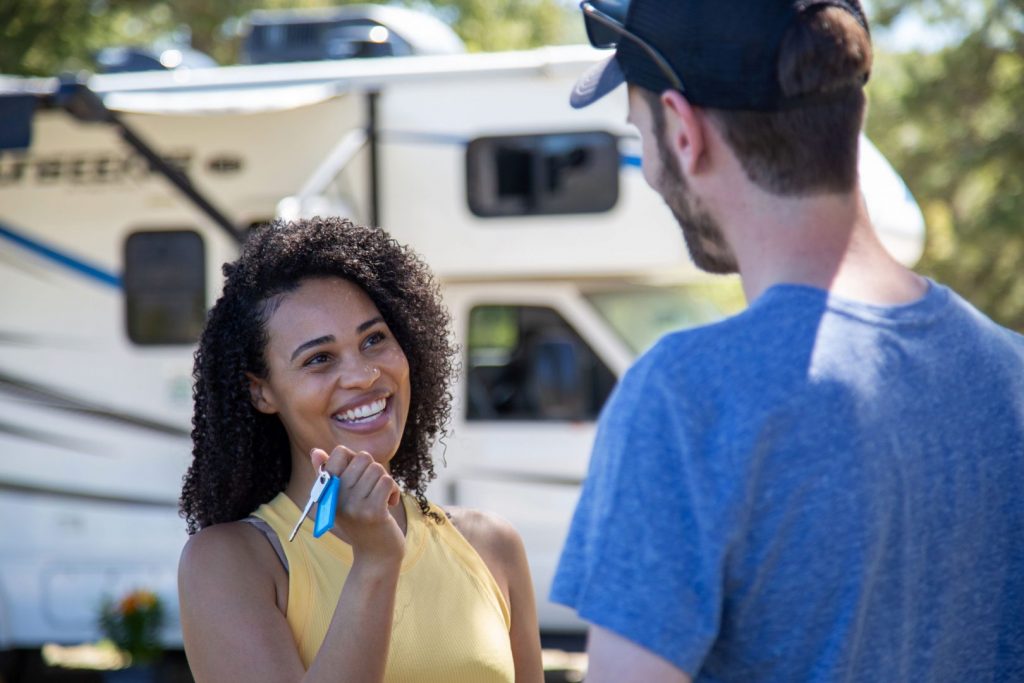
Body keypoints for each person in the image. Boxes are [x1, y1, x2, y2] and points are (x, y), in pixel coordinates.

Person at [551, 1, 1024, 681]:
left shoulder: (686, 399)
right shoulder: (1011, 373)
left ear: (683, 132)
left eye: (639, 132)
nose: (649, 166)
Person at [178, 216, 543, 683]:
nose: (364, 375)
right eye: (319, 359)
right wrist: (374, 561)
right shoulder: (230, 563)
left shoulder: (491, 547)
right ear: (261, 392)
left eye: (374, 340)